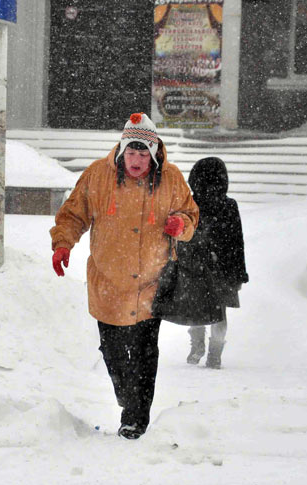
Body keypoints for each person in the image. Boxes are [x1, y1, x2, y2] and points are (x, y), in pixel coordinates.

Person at [50, 113, 199, 440]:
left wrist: (181, 226)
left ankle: (135, 417)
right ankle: (125, 395)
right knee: (114, 351)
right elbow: (74, 214)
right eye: (131, 152)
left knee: (146, 355)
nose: (136, 159)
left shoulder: (171, 179)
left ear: (155, 152)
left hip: (152, 284)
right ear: (120, 151)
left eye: (143, 153)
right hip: (109, 284)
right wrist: (63, 244)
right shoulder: (97, 176)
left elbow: (190, 215)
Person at [178, 157, 248, 369]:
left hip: (194, 266)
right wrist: (239, 273)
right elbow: (237, 241)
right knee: (220, 314)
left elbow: (181, 238)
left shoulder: (189, 203)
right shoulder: (229, 205)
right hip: (223, 268)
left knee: (195, 309)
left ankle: (197, 346)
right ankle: (215, 354)